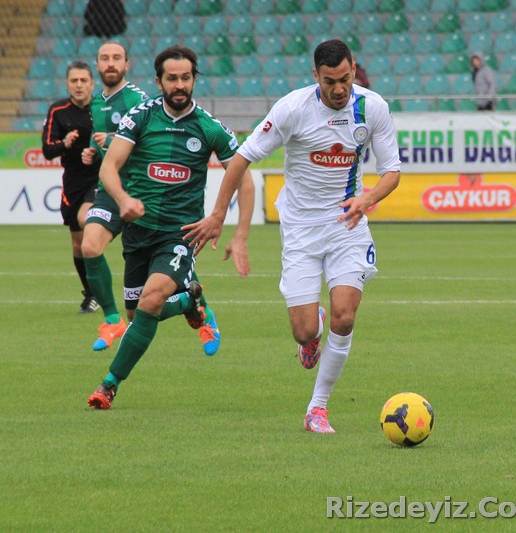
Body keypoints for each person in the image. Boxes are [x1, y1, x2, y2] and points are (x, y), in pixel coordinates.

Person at [184, 39, 401, 434]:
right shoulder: (292, 109)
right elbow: (242, 158)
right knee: (304, 331)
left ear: (354, 69)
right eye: (330, 81)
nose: (339, 89)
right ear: (315, 76)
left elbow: (392, 171)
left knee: (345, 316)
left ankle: (317, 408)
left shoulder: (373, 108)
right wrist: (218, 215)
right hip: (300, 229)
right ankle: (311, 330)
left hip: (347, 225)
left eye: (345, 79)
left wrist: (367, 199)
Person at [87, 45, 254, 409]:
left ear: (194, 79)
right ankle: (190, 300)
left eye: (186, 78)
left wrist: (236, 231)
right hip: (138, 231)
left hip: (180, 234)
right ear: (159, 81)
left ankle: (108, 385)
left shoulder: (209, 127)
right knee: (138, 315)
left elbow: (244, 179)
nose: (180, 85)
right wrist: (123, 200)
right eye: (172, 78)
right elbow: (109, 166)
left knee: (150, 300)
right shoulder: (140, 116)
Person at [81, 41, 225, 355]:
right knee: (89, 245)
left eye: (116, 57)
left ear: (127, 64)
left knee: (169, 255)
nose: (110, 63)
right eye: (104, 58)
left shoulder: (140, 101)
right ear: (97, 64)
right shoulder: (96, 103)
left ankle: (199, 308)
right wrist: (94, 149)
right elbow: (108, 151)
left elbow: (151, 139)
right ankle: (112, 320)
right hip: (115, 189)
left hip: (143, 192)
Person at [42, 61, 100, 314]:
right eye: (74, 81)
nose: (79, 85)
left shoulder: (101, 108)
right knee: (78, 245)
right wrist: (64, 144)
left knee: (86, 220)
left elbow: (119, 142)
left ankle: (102, 288)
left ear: (92, 83)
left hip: (100, 178)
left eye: (83, 80)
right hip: (73, 182)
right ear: (67, 84)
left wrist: (97, 151)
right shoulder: (58, 111)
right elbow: (47, 150)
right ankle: (92, 293)